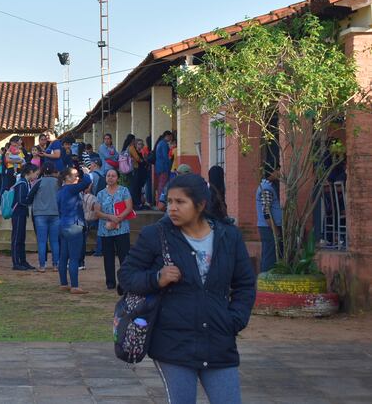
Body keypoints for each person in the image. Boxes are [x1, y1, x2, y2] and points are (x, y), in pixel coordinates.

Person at [118, 174, 256, 404]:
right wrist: (156, 278)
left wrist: (234, 320)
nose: (172, 208)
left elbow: (244, 285)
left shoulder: (228, 237)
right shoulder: (155, 235)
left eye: (180, 202)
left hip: (218, 339)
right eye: (169, 201)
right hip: (172, 342)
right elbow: (125, 276)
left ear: (201, 204)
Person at [94, 168, 133, 292]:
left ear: (117, 178)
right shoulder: (100, 193)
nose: (110, 178)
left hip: (122, 229)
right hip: (106, 230)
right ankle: (110, 282)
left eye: (113, 176)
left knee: (124, 256)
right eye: (108, 176)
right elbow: (97, 212)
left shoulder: (124, 191)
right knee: (108, 257)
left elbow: (129, 207)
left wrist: (119, 218)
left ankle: (125, 282)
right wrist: (109, 217)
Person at [56, 166, 92, 294]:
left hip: (63, 225)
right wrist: (87, 173)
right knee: (74, 258)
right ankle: (75, 286)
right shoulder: (71, 189)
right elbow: (86, 182)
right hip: (74, 225)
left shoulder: (60, 191)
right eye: (74, 175)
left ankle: (63, 283)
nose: (77, 177)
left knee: (63, 256)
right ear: (66, 177)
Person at [26, 162, 60, 271]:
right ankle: (56, 264)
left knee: (41, 241)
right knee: (55, 241)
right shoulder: (58, 182)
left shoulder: (38, 182)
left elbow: (30, 196)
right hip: (55, 213)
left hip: (40, 214)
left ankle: (42, 265)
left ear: (43, 171)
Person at [10, 163, 39, 271]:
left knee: (21, 238)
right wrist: (31, 199)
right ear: (30, 172)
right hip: (18, 214)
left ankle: (22, 261)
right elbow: (22, 200)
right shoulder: (22, 184)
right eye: (36, 174)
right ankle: (16, 262)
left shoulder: (25, 182)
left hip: (21, 213)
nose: (36, 176)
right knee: (17, 238)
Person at [257, 166, 282, 273]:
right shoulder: (266, 188)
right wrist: (274, 229)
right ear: (272, 171)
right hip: (268, 227)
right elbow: (266, 212)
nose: (280, 173)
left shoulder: (267, 186)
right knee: (270, 257)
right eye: (278, 170)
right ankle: (266, 282)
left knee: (268, 254)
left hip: (267, 227)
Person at [155, 131, 173, 204]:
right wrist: (170, 163)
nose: (171, 138)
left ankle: (159, 201)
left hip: (159, 167)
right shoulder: (164, 144)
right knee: (162, 185)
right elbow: (166, 157)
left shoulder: (160, 143)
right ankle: (160, 202)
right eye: (170, 136)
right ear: (167, 136)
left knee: (161, 184)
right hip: (164, 167)